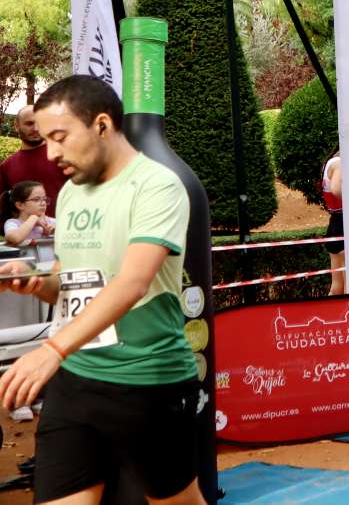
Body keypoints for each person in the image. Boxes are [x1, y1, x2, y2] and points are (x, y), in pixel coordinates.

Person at [0, 75, 204, 504]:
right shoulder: (72, 193)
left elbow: (132, 282)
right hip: (75, 381)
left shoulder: (158, 186)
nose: (51, 152)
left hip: (147, 383)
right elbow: (69, 280)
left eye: (60, 137)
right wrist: (38, 282)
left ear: (102, 125)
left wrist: (51, 351)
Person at [0, 105, 67, 217]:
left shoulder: (63, 155)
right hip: (26, 233)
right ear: (16, 126)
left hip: (65, 230)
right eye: (29, 124)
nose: (36, 128)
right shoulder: (7, 166)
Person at [3, 180, 55, 247]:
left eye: (44, 199)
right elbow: (15, 238)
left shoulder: (51, 222)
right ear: (20, 205)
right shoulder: (13, 223)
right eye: (36, 199)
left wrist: (57, 231)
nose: (43, 203)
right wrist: (33, 218)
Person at [321, 152, 345, 296]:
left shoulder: (330, 162)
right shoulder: (340, 163)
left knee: (337, 287)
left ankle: (329, 316)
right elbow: (336, 189)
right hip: (343, 222)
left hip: (335, 222)